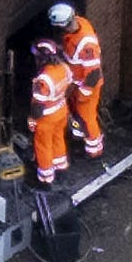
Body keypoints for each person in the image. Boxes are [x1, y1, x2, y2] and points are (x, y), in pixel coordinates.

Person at [50, 2, 105, 160]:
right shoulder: (78, 23)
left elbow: (93, 73)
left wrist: (83, 93)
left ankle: (94, 151)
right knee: (77, 113)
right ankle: (80, 138)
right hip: (77, 81)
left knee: (87, 118)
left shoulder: (86, 44)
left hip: (87, 85)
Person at [27, 41, 74, 186]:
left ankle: (46, 179)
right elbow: (69, 88)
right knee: (58, 139)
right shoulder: (65, 68)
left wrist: (32, 119)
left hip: (46, 118)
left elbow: (38, 106)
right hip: (61, 111)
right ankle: (61, 169)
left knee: (43, 146)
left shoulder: (43, 80)